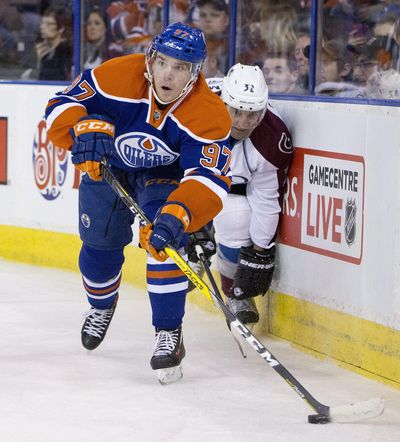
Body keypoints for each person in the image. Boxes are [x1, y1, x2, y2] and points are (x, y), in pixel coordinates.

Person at [44, 22, 232, 383]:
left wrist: (180, 214)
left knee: (165, 241)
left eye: (181, 68)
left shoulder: (208, 113)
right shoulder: (115, 75)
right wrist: (78, 133)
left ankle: (168, 333)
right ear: (150, 57)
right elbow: (59, 104)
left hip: (166, 177)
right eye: (163, 62)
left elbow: (209, 179)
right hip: (108, 168)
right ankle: (101, 306)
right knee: (98, 247)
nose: (168, 74)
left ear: (196, 73)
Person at [187, 64, 294, 324]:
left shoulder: (273, 137)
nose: (243, 123)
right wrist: (191, 222)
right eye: (236, 112)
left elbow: (267, 201)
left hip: (236, 188)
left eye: (253, 114)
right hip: (194, 176)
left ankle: (234, 291)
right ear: (223, 102)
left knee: (236, 218)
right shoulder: (193, 106)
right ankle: (190, 253)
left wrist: (259, 252)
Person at [36, 7, 72, 81]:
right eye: (42, 23)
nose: (42, 27)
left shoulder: (65, 52)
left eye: (49, 24)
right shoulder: (46, 51)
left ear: (61, 28)